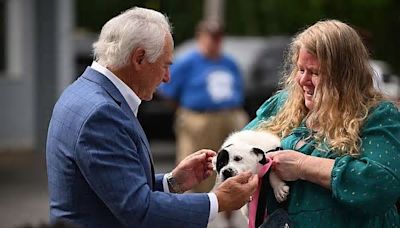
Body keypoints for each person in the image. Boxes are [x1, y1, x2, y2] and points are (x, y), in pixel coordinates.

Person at [46, 7, 258, 228]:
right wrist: (217, 201)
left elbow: (115, 188)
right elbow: (138, 209)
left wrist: (173, 182)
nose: (167, 78)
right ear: (139, 58)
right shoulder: (101, 113)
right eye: (165, 65)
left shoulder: (82, 91)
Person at [244, 19, 400, 227]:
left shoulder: (376, 116)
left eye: (315, 73)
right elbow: (240, 148)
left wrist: (302, 166)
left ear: (344, 77)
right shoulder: (283, 104)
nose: (303, 81)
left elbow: (380, 185)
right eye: (301, 70)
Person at [157, 19, 249, 194]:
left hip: (230, 116)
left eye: (218, 37)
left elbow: (239, 89)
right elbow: (166, 89)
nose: (214, 42)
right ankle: (191, 205)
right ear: (200, 37)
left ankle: (230, 207)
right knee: (197, 160)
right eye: (211, 37)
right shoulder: (187, 61)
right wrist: (185, 108)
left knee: (234, 160)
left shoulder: (229, 62)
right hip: (200, 118)